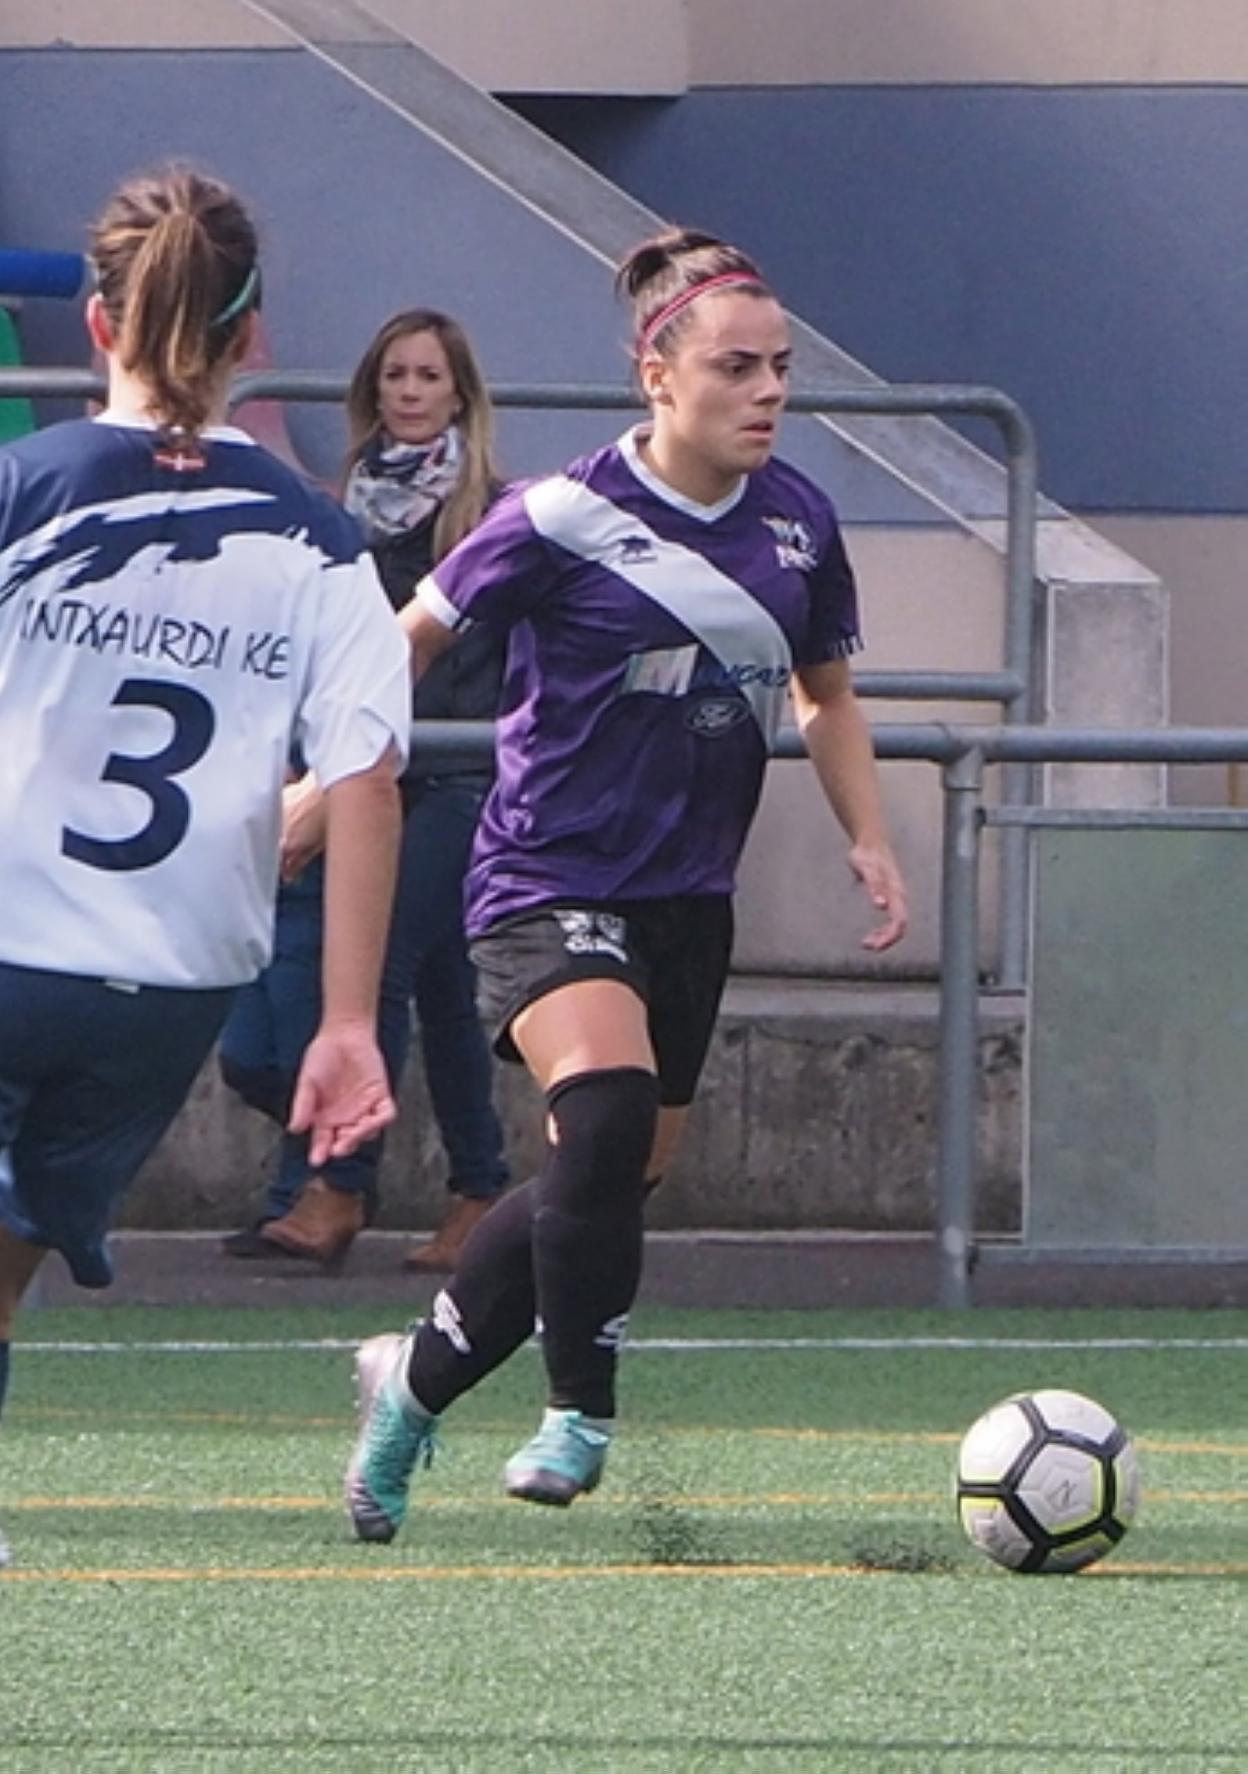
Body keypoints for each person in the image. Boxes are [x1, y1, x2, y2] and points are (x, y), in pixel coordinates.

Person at [341, 226, 909, 1544]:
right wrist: (330, 773)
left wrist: (868, 832)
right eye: (735, 368)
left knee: (603, 1184)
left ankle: (409, 1386)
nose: (767, 391)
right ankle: (579, 1411)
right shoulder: (559, 514)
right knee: (597, 1123)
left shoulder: (801, 521)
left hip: (686, 900)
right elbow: (408, 638)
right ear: (659, 376)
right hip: (545, 871)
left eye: (780, 368)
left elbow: (826, 695)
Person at [0, 165, 410, 1556]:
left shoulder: (26, 490)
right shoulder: (318, 539)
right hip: (169, 984)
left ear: (100, 326)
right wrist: (348, 1022)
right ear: (252, 339)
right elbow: (364, 776)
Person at [217, 310, 511, 1272]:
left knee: (380, 967)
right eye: (396, 376)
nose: (412, 392)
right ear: (373, 393)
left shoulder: (492, 511)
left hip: (458, 769)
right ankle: (478, 1188)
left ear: (460, 394)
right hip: (360, 766)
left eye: (430, 376)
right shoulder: (341, 507)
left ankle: (338, 1188)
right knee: (439, 989)